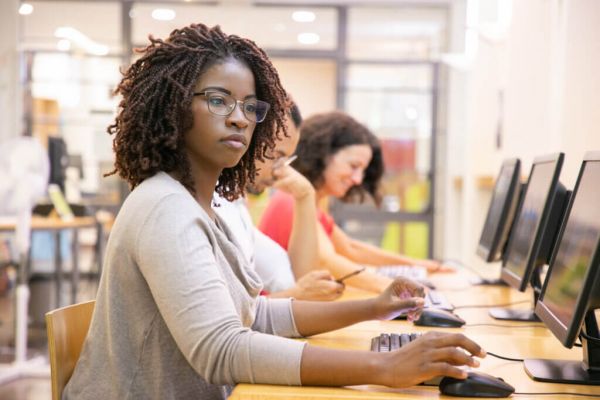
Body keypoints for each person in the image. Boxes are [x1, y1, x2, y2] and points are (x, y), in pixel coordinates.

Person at [64, 24, 485, 400]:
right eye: (218, 100)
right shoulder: (164, 208)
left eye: (250, 107)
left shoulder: (205, 206)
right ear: (173, 105)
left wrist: (374, 307)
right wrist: (383, 367)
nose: (239, 120)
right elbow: (222, 349)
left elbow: (254, 314)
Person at [259, 111, 451, 293]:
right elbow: (326, 260)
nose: (358, 179)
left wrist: (422, 266)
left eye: (362, 171)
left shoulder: (311, 204)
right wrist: (392, 287)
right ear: (323, 155)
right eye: (353, 166)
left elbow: (351, 248)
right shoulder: (292, 200)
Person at [215, 102, 343, 300]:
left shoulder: (234, 205)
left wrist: (305, 196)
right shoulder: (212, 204)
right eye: (277, 156)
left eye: (285, 161)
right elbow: (222, 313)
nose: (280, 170)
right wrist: (298, 293)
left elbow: (295, 279)